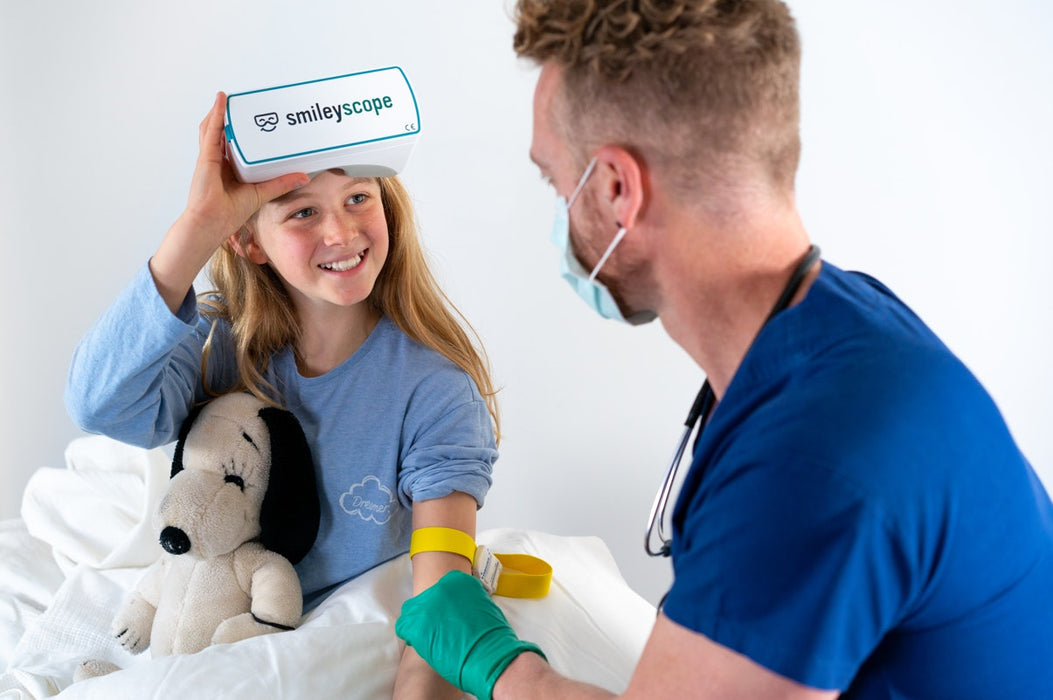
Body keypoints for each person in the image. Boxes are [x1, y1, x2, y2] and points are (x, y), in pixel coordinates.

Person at [394, 1, 1053, 699]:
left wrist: (502, 667)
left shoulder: (813, 460)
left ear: (617, 190)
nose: (557, 210)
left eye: (554, 181)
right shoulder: (846, 319)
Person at [65, 92, 497, 698]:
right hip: (215, 626)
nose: (341, 232)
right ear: (248, 242)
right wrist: (198, 230)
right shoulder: (218, 342)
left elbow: (442, 591)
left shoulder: (434, 391)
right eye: (301, 213)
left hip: (331, 637)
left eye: (357, 199)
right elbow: (98, 403)